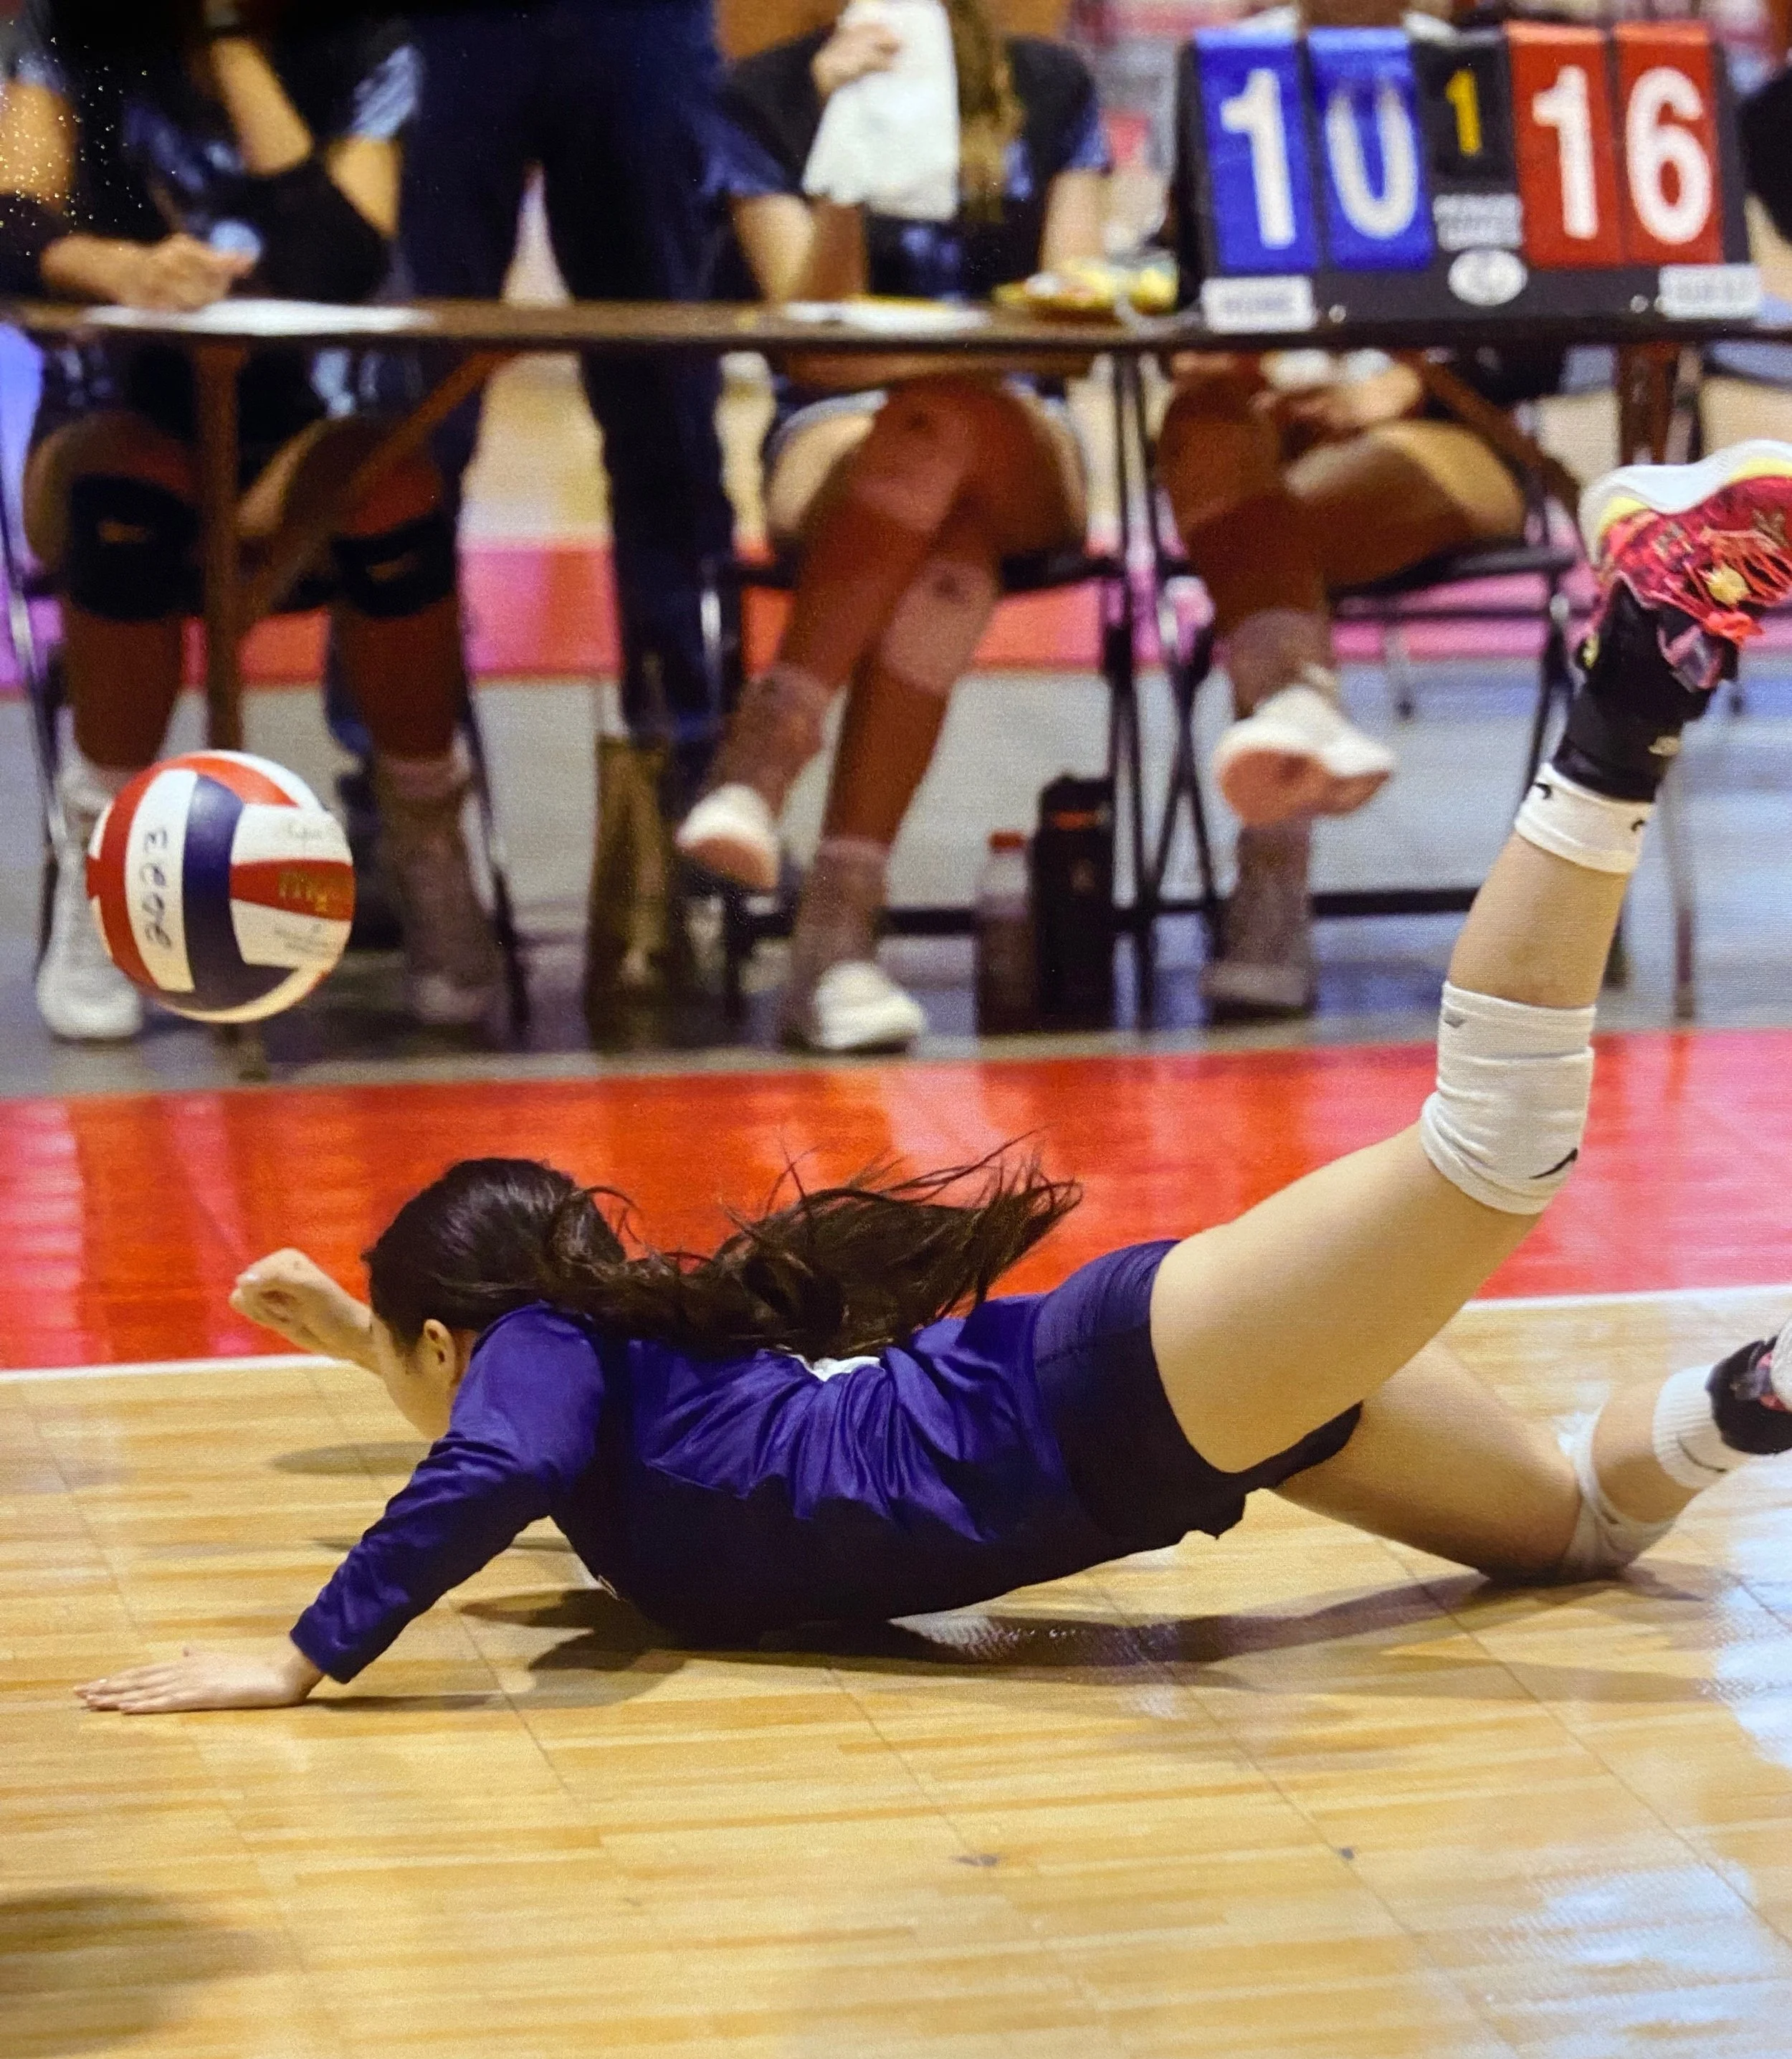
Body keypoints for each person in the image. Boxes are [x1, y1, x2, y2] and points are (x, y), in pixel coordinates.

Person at [74, 442, 1792, 1714]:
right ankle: (1751, 1399)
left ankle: (1632, 680)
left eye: (422, 1363)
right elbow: (491, 1439)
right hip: (1147, 1412)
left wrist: (302, 1657)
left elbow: (482, 1462)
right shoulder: (599, 1385)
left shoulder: (548, 1371)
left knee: (1495, 1143)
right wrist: (362, 1338)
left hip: (1120, 1394)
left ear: (464, 1340)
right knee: (1570, 1532)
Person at [1, 0, 504, 1041]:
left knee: (396, 488)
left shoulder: (365, 42)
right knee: (131, 480)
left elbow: (335, 256)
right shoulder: (72, 36)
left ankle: (427, 841)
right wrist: (123, 270)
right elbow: (11, 217)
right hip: (112, 417)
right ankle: (106, 859)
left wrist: (230, 44)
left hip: (297, 436)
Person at [676, 0, 1110, 1054]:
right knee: (942, 549)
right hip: (837, 434)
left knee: (944, 421)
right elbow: (815, 348)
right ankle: (836, 941)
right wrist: (846, 151)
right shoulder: (769, 97)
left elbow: (1071, 334)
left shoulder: (1055, 87)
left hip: (1022, 433)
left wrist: (934, 361)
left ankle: (762, 764)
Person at [395, 2, 738, 844]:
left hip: (637, 24)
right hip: (449, 28)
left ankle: (698, 780)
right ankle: (395, 799)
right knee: (409, 423)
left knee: (665, 404)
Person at [1157, 343, 1561, 1022]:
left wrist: (1410, 380)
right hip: (1263, 422)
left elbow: (1550, 337)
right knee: (1202, 421)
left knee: (1257, 538)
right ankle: (1297, 725)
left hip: (1441, 430)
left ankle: (1272, 882)